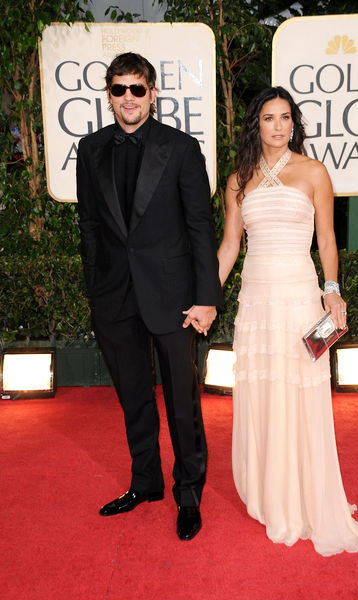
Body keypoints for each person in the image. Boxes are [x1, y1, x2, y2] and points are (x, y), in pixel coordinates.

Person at [217, 86, 358, 556]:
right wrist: (207, 297)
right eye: (269, 118)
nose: (279, 126)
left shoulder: (313, 172)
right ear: (256, 125)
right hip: (256, 302)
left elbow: (327, 239)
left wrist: (332, 291)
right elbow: (230, 246)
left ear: (294, 123)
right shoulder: (238, 180)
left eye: (286, 117)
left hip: (298, 298)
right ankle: (271, 495)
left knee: (299, 396)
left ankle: (303, 497)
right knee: (264, 393)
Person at [76, 52, 223, 541]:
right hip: (115, 297)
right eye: (119, 89)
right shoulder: (91, 149)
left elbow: (201, 227)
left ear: (153, 93)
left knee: (182, 401)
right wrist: (97, 289)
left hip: (174, 296)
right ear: (109, 94)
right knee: (134, 398)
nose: (128, 99)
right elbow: (91, 226)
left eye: (137, 89)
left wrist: (207, 297)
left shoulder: (181, 148)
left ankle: (188, 493)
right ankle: (146, 483)